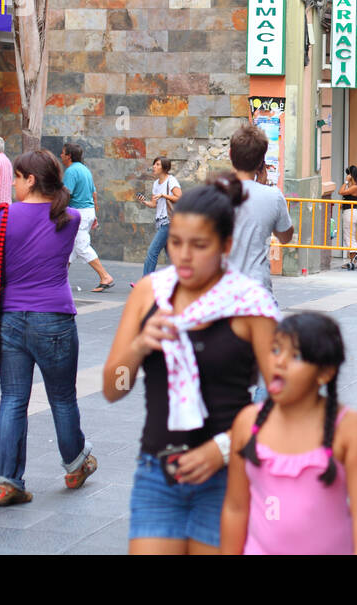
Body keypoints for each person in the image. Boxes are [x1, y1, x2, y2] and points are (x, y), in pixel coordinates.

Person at [103, 178, 280, 554]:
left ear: (226, 246)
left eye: (199, 246)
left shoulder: (251, 304)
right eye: (176, 242)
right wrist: (137, 346)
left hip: (226, 478)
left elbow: (286, 402)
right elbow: (113, 388)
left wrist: (222, 448)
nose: (184, 256)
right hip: (158, 472)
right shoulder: (150, 293)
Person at [0, 150, 98, 506]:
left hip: (9, 320)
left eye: (18, 178)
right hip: (55, 318)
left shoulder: (4, 215)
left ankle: (7, 481)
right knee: (63, 397)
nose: (15, 185)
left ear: (30, 179)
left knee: (13, 398)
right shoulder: (70, 216)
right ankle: (75, 465)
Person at [221, 312, 357, 554]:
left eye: (295, 356)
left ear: (325, 373)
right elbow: (235, 507)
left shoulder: (350, 428)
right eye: (275, 350)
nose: (279, 362)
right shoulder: (247, 422)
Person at [228, 126, 294, 294]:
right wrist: (262, 187)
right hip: (257, 288)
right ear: (260, 162)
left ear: (230, 154)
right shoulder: (273, 196)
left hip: (222, 287)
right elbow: (285, 237)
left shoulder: (212, 193)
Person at [60, 142, 116, 291]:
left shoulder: (71, 171)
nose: (60, 155)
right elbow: (94, 192)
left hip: (78, 213)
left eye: (63, 153)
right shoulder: (85, 170)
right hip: (87, 211)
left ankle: (105, 276)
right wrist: (94, 213)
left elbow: (66, 194)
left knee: (81, 246)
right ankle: (58, 279)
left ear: (69, 156)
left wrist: (57, 210)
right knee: (70, 247)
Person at [139, 155, 183, 277]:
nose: (154, 166)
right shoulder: (155, 184)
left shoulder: (171, 180)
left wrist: (164, 195)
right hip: (160, 222)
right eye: (154, 164)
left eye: (157, 164)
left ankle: (146, 282)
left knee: (152, 252)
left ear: (164, 167)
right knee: (172, 255)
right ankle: (185, 280)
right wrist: (144, 202)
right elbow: (154, 204)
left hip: (168, 222)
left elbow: (179, 197)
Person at [339, 165, 357, 268]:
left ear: (351, 176)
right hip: (354, 213)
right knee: (349, 238)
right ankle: (353, 262)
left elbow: (340, 192)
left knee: (349, 239)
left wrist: (346, 182)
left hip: (351, 213)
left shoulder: (355, 187)